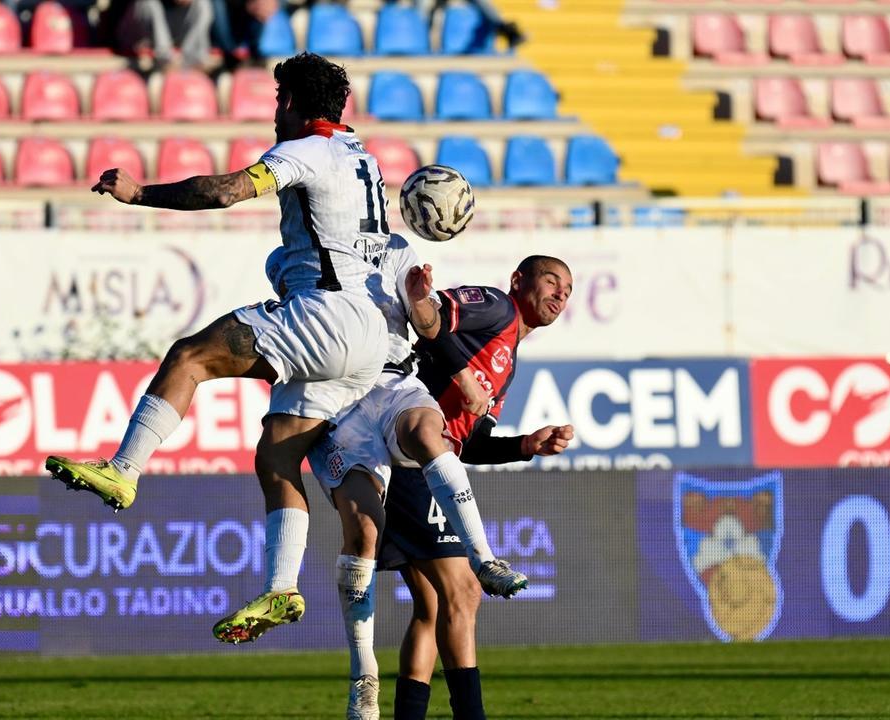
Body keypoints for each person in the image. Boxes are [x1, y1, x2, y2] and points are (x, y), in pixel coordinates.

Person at [45, 52, 390, 646]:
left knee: (189, 357)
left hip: (323, 314)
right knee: (278, 456)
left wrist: (140, 194)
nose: (273, 109)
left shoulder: (306, 149)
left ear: (294, 105)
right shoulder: (364, 157)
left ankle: (124, 471)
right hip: (368, 332)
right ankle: (282, 585)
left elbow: (227, 191)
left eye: (279, 98)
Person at [308, 254, 574, 719]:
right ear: (518, 281)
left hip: (420, 458)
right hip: (407, 450)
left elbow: (470, 445)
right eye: (551, 281)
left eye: (567, 291)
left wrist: (524, 446)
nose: (560, 294)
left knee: (434, 607)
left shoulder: (508, 361)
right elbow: (429, 319)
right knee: (463, 592)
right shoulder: (496, 308)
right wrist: (428, 313)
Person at [97, 0, 214, 69]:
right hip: (133, 32)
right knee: (149, 2)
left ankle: (193, 58)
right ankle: (165, 59)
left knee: (202, 4)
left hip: (170, 28)